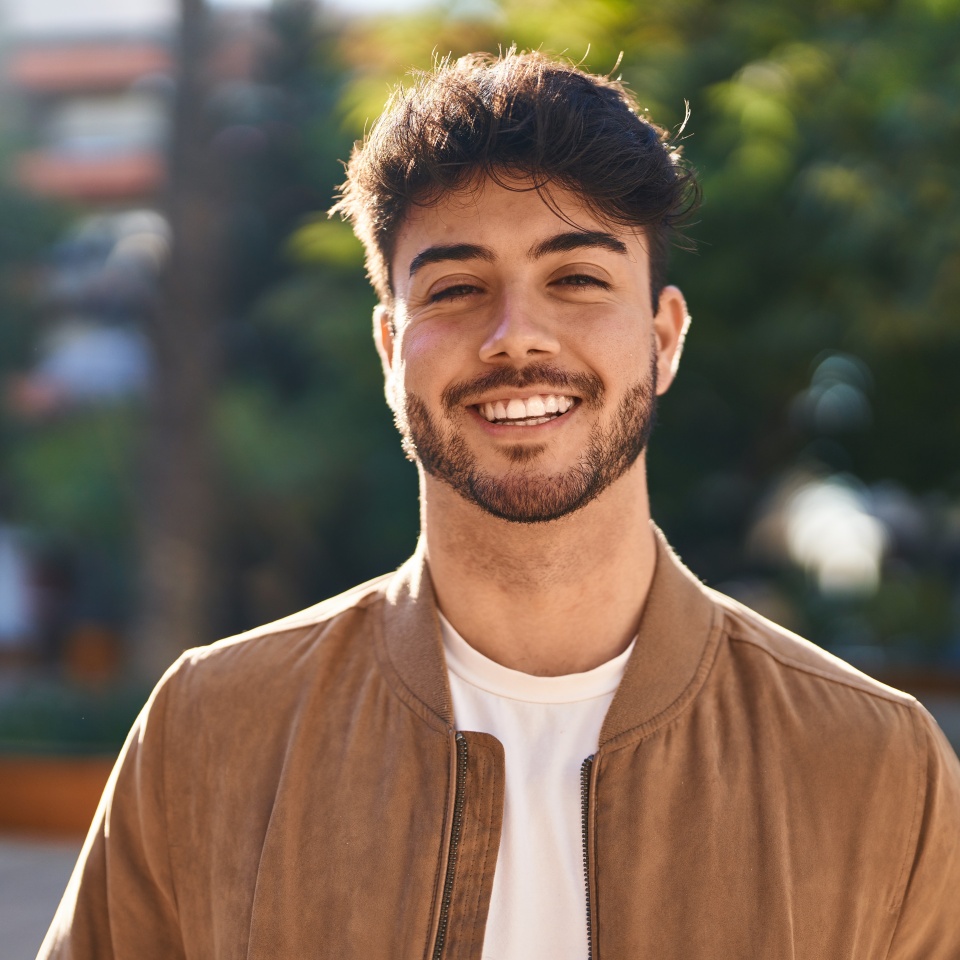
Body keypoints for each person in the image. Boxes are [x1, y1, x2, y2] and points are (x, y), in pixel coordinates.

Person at [41, 50, 960, 960]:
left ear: (664, 338)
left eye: (577, 278)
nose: (516, 335)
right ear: (390, 347)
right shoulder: (210, 733)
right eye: (457, 288)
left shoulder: (878, 768)